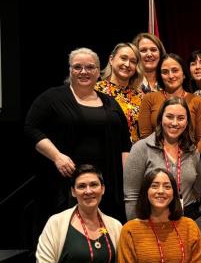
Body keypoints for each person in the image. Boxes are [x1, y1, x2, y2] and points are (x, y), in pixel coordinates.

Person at [24, 47, 131, 224]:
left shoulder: (110, 102)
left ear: (98, 72)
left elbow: (124, 142)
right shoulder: (53, 97)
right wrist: (57, 157)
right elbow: (31, 129)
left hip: (106, 184)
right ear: (70, 70)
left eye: (90, 67)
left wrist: (125, 178)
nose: (84, 72)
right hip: (65, 183)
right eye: (77, 67)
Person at [124, 97, 201, 220]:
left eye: (181, 118)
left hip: (187, 218)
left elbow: (197, 191)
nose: (175, 123)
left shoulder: (192, 151)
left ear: (187, 122)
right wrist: (136, 228)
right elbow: (132, 196)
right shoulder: (141, 148)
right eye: (170, 117)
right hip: (152, 218)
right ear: (160, 119)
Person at [138, 53, 201, 152]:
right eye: (165, 72)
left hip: (188, 160)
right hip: (156, 161)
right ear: (160, 76)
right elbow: (145, 136)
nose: (171, 76)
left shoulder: (197, 100)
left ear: (183, 74)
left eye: (175, 70)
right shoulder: (149, 99)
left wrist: (192, 159)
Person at [96, 42, 144, 143]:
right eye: (123, 58)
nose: (127, 64)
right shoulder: (96, 90)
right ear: (111, 59)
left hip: (134, 154)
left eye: (133, 61)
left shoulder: (140, 96)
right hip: (106, 151)